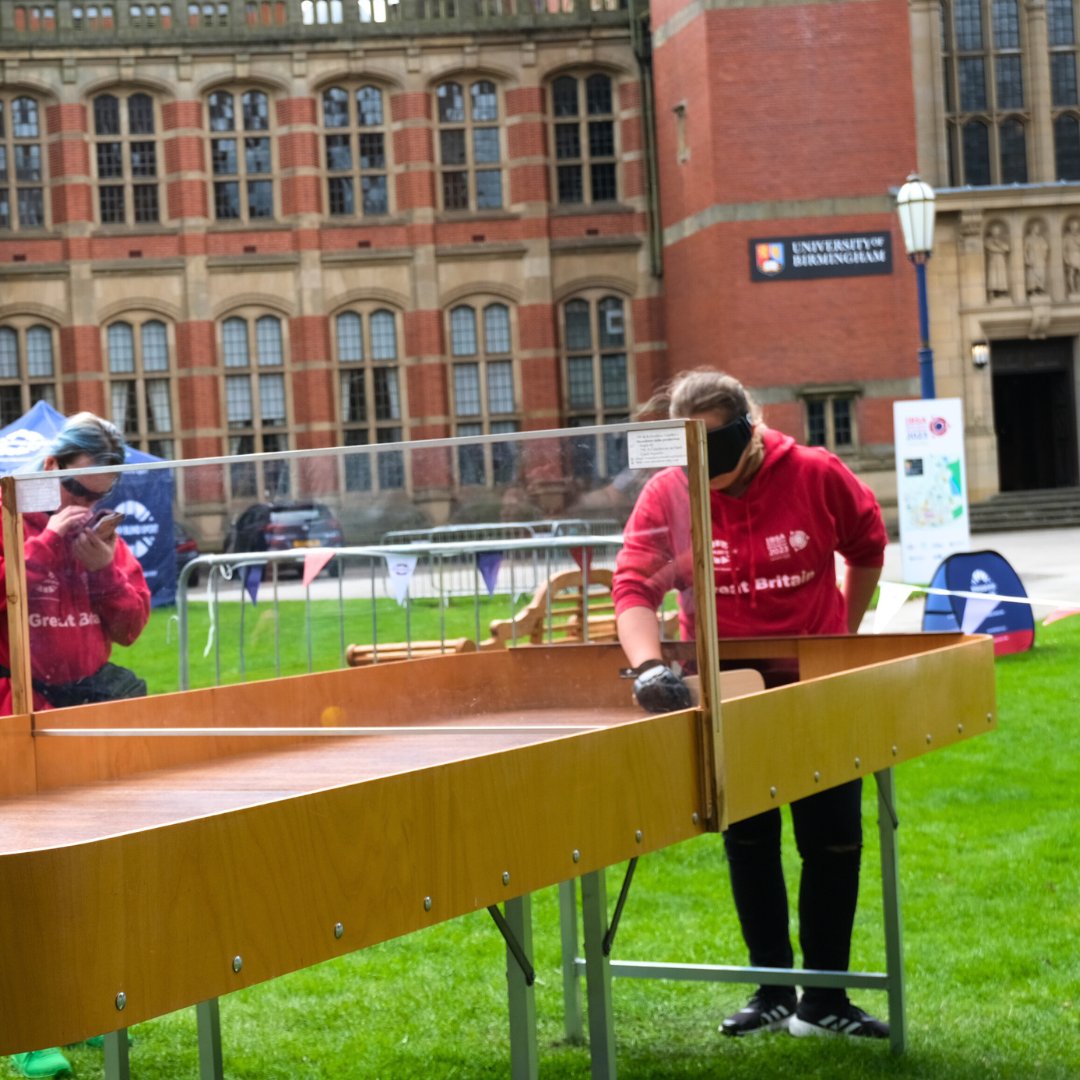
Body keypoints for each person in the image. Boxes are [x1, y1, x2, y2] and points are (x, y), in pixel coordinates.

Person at [612, 369, 889, 1040]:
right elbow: (633, 587)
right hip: (730, 686)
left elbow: (867, 545)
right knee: (749, 837)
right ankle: (771, 988)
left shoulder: (815, 474)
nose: (703, 474)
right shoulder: (668, 492)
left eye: (713, 450)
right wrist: (648, 667)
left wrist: (840, 634)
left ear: (747, 430)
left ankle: (826, 998)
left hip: (813, 689)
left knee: (833, 842)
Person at [2, 412, 151, 1080]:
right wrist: (43, 552)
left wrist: (102, 575)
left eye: (104, 496)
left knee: (84, 868)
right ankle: (27, 1029)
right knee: (19, 875)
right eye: (82, 493)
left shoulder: (101, 536)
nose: (92, 508)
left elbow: (131, 627)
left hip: (84, 709)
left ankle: (78, 1006)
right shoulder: (8, 516)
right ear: (51, 472)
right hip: (15, 712)